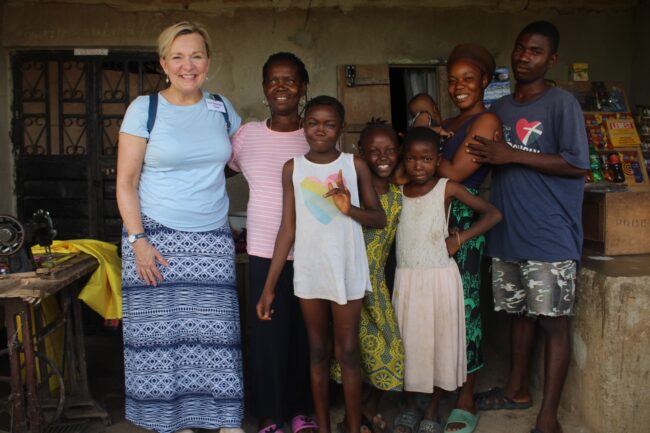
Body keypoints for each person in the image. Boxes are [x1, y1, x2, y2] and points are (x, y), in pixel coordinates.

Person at [116, 21, 243, 433]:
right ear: (164, 64)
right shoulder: (144, 109)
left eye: (197, 55)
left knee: (214, 332)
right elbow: (125, 182)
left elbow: (245, 159)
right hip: (154, 235)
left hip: (211, 237)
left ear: (208, 61)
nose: (188, 65)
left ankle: (222, 418)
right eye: (178, 56)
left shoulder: (223, 108)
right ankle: (171, 422)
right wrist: (138, 241)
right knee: (161, 338)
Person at [468, 21, 589, 433]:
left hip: (550, 235)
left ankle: (549, 417)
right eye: (520, 48)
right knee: (518, 316)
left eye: (535, 51)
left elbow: (576, 164)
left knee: (553, 322)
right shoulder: (499, 110)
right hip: (508, 232)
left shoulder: (562, 105)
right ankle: (517, 390)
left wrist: (511, 155)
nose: (524, 56)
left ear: (551, 59)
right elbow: (475, 134)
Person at [256, 96, 386, 433]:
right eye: (313, 122)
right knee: (317, 351)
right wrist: (268, 288)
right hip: (310, 271)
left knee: (348, 352)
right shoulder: (293, 169)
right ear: (304, 125)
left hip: (347, 270)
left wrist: (349, 209)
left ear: (341, 129)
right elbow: (288, 229)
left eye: (329, 124)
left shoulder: (354, 165)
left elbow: (379, 218)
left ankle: (353, 428)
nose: (320, 130)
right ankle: (325, 428)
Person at [228, 52, 316, 433]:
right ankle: (269, 415)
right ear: (264, 89)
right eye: (273, 81)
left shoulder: (315, 133)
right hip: (265, 251)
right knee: (267, 338)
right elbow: (216, 175)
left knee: (304, 336)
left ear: (303, 88)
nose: (281, 87)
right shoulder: (247, 135)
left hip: (312, 252)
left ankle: (300, 412)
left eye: (290, 80)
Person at [392, 127, 501, 433]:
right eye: (411, 158)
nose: (418, 165)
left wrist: (460, 238)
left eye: (426, 158)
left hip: (440, 278)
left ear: (438, 159)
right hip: (408, 281)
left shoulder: (448, 188)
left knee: (439, 345)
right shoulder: (397, 191)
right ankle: (410, 407)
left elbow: (492, 214)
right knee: (409, 345)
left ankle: (433, 409)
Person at [436, 43, 501, 433]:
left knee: (467, 309)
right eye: (453, 80)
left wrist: (422, 145)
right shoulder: (450, 121)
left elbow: (456, 173)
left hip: (463, 219)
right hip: (435, 219)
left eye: (468, 78)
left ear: (485, 82)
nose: (459, 86)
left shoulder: (486, 121)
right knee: (441, 307)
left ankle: (466, 396)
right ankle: (443, 385)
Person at [330, 121, 405, 433]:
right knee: (349, 355)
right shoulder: (352, 192)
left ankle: (368, 406)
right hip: (347, 285)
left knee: (392, 350)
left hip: (377, 285)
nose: (382, 157)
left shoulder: (400, 193)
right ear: (360, 153)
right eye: (373, 151)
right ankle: (353, 415)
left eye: (389, 150)